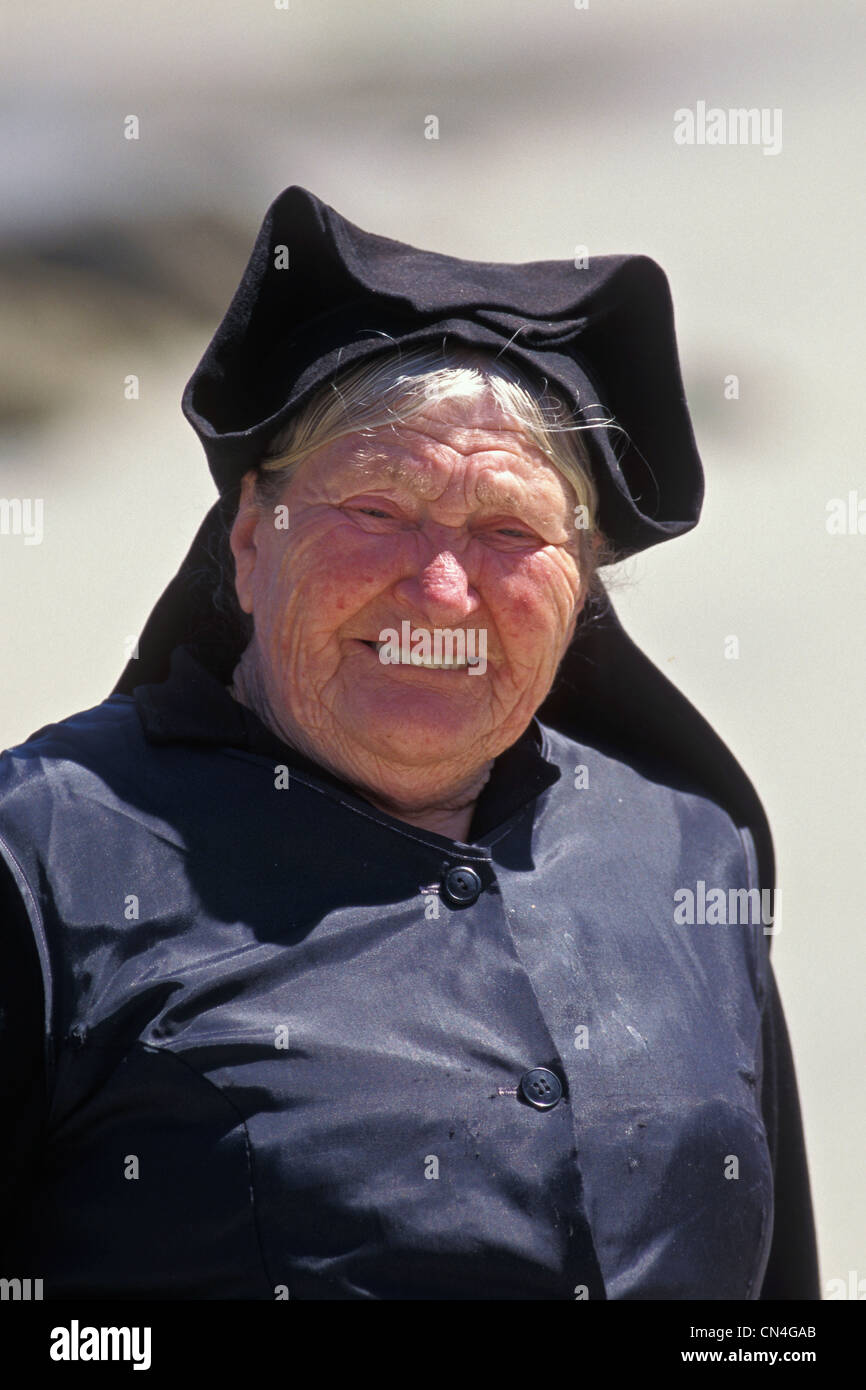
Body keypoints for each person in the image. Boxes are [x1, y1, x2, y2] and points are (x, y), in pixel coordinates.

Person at [0, 186, 818, 1300]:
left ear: (580, 587)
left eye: (507, 530)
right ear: (250, 539)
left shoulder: (687, 849)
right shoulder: (46, 853)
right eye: (377, 509)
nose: (441, 587)